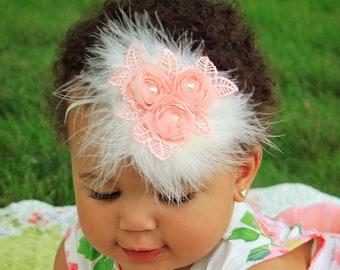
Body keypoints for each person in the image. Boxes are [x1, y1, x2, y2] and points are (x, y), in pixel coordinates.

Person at [51, 0, 340, 269]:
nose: (135, 222)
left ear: (240, 173)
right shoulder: (81, 251)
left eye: (173, 196)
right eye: (104, 193)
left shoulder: (257, 265)